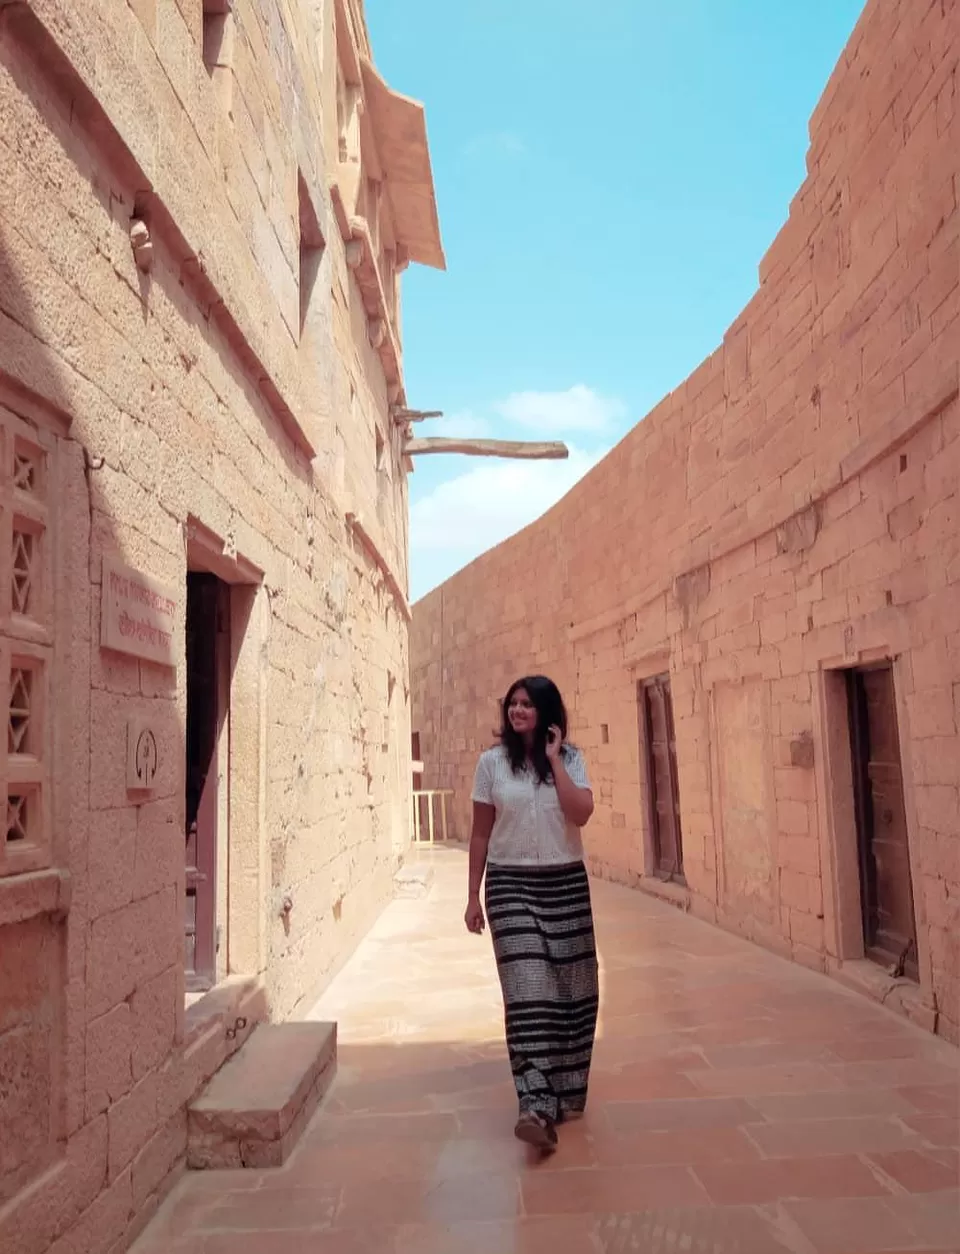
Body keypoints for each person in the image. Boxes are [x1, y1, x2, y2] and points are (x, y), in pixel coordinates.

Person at [465, 675, 598, 1153]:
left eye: (527, 704)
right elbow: (480, 834)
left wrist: (555, 760)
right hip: (510, 886)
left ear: (546, 711)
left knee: (573, 993)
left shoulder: (572, 759)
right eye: (513, 704)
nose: (517, 711)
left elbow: (580, 813)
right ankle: (535, 1104)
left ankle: (562, 1093)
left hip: (565, 885)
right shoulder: (491, 765)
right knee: (527, 995)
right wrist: (471, 895)